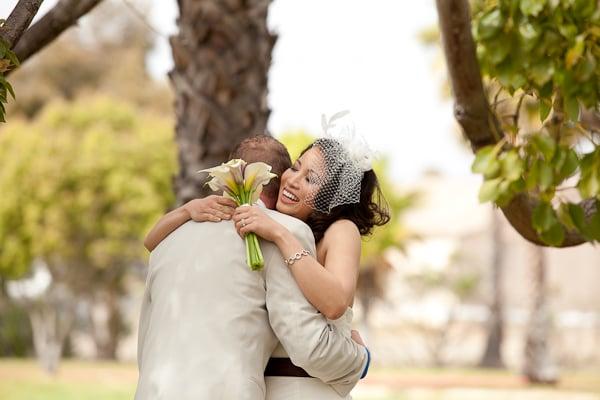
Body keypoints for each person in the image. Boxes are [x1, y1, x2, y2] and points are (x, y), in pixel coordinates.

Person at [145, 114, 390, 399]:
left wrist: (280, 235)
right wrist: (189, 210)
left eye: (310, 179)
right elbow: (151, 242)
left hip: (306, 388)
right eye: (296, 168)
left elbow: (335, 304)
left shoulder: (337, 231)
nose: (292, 180)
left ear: (331, 197)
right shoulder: (274, 230)